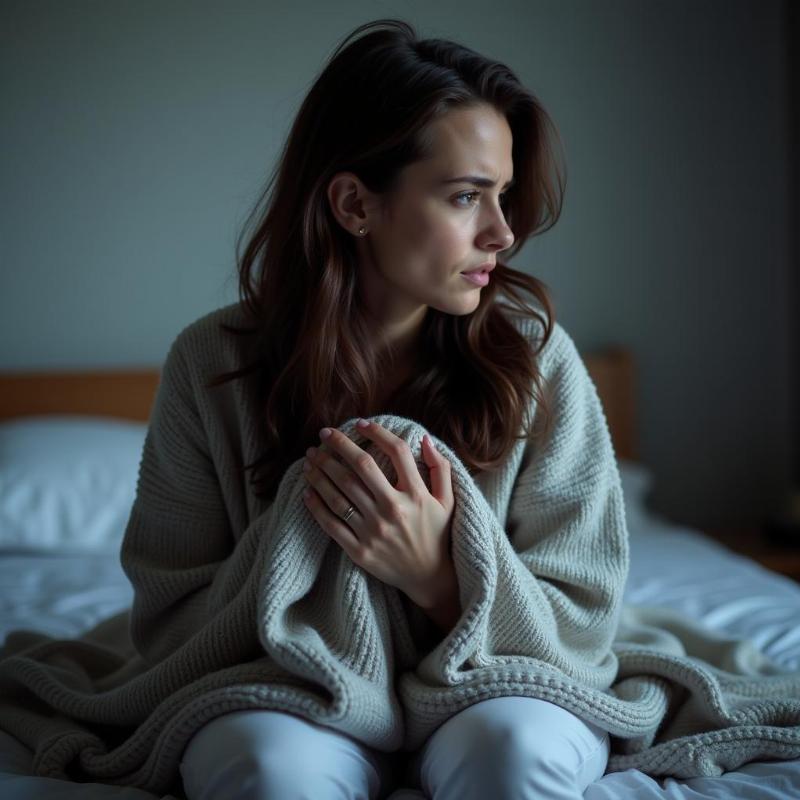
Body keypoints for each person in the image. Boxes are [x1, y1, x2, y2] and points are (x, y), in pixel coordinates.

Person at [171, 18, 612, 800]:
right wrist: (305, 558)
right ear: (353, 204)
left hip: (499, 683)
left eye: (503, 196)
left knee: (512, 750)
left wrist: (441, 576)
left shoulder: (538, 363)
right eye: (466, 196)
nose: (503, 233)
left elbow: (582, 617)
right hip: (291, 690)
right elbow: (172, 613)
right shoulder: (214, 365)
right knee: (268, 769)